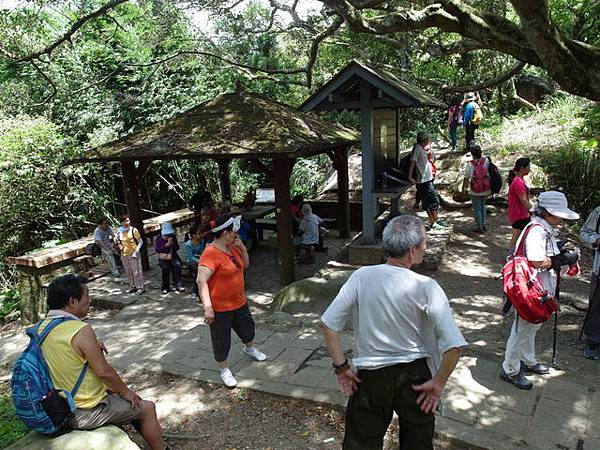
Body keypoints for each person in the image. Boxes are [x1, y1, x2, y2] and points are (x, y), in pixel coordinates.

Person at [320, 215, 467, 450]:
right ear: (411, 250)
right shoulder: (427, 287)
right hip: (415, 377)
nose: (426, 248)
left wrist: (342, 368)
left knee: (361, 444)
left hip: (371, 376)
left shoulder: (361, 276)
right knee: (417, 443)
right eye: (424, 243)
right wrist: (437, 385)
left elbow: (328, 325)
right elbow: (455, 348)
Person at [39, 274, 167, 449]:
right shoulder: (80, 329)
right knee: (147, 408)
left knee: (123, 399)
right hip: (84, 411)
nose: (89, 301)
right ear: (72, 302)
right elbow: (103, 372)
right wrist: (126, 392)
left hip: (58, 406)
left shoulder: (41, 329)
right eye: (87, 296)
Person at [500, 191, 580, 390]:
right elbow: (537, 260)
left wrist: (558, 249)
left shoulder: (542, 228)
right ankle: (510, 369)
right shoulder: (537, 230)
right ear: (548, 213)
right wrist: (561, 259)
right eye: (558, 214)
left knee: (532, 327)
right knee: (521, 330)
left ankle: (528, 360)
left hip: (539, 289)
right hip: (530, 290)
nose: (561, 218)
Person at [196, 215, 267, 388]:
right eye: (233, 233)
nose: (236, 235)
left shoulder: (232, 248)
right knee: (221, 339)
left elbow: (245, 266)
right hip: (220, 307)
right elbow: (201, 280)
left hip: (239, 301)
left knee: (248, 328)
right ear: (225, 233)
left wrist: (242, 248)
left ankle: (249, 348)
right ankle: (224, 370)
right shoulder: (210, 254)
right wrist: (208, 308)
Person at [408, 131, 447, 230]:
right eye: (427, 139)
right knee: (433, 201)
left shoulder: (421, 148)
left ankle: (434, 221)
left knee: (428, 202)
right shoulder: (417, 148)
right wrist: (410, 176)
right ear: (424, 140)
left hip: (427, 179)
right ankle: (434, 221)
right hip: (423, 180)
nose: (429, 141)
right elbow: (413, 162)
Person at [579, 206, 600, 360]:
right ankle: (593, 341)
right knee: (596, 305)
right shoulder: (599, 212)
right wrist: (597, 240)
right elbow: (584, 233)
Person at [462, 144, 491, 233]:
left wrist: (464, 189)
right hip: (486, 187)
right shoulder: (486, 160)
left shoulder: (470, 164)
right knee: (483, 206)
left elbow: (466, 178)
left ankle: (479, 227)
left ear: (472, 154)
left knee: (477, 208)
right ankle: (483, 224)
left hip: (475, 189)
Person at [507, 158, 532, 253]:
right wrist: (533, 210)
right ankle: (512, 254)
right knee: (519, 235)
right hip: (520, 214)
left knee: (517, 234)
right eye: (528, 167)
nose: (529, 169)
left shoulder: (518, 180)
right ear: (522, 168)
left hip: (518, 213)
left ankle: (513, 253)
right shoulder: (518, 182)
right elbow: (524, 201)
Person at [116, 214, 144, 295]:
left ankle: (140, 287)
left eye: (128, 220)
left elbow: (140, 242)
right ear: (121, 222)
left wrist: (136, 251)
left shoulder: (133, 230)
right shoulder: (119, 230)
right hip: (124, 254)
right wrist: (118, 243)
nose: (126, 222)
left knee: (137, 271)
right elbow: (118, 241)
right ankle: (132, 286)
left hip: (133, 253)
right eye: (124, 221)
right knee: (128, 271)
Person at [155, 222, 184, 295]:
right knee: (165, 268)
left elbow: (177, 247)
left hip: (173, 255)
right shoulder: (159, 238)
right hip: (164, 257)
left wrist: (172, 244)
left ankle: (178, 285)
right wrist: (166, 245)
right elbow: (157, 249)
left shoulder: (173, 237)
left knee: (177, 265)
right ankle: (165, 287)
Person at [184, 224, 209, 297]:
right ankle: (196, 291)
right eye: (199, 233)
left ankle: (198, 291)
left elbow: (203, 252)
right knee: (200, 271)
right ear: (193, 235)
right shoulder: (188, 244)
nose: (201, 235)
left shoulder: (202, 241)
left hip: (201, 259)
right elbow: (190, 257)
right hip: (192, 262)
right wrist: (200, 261)